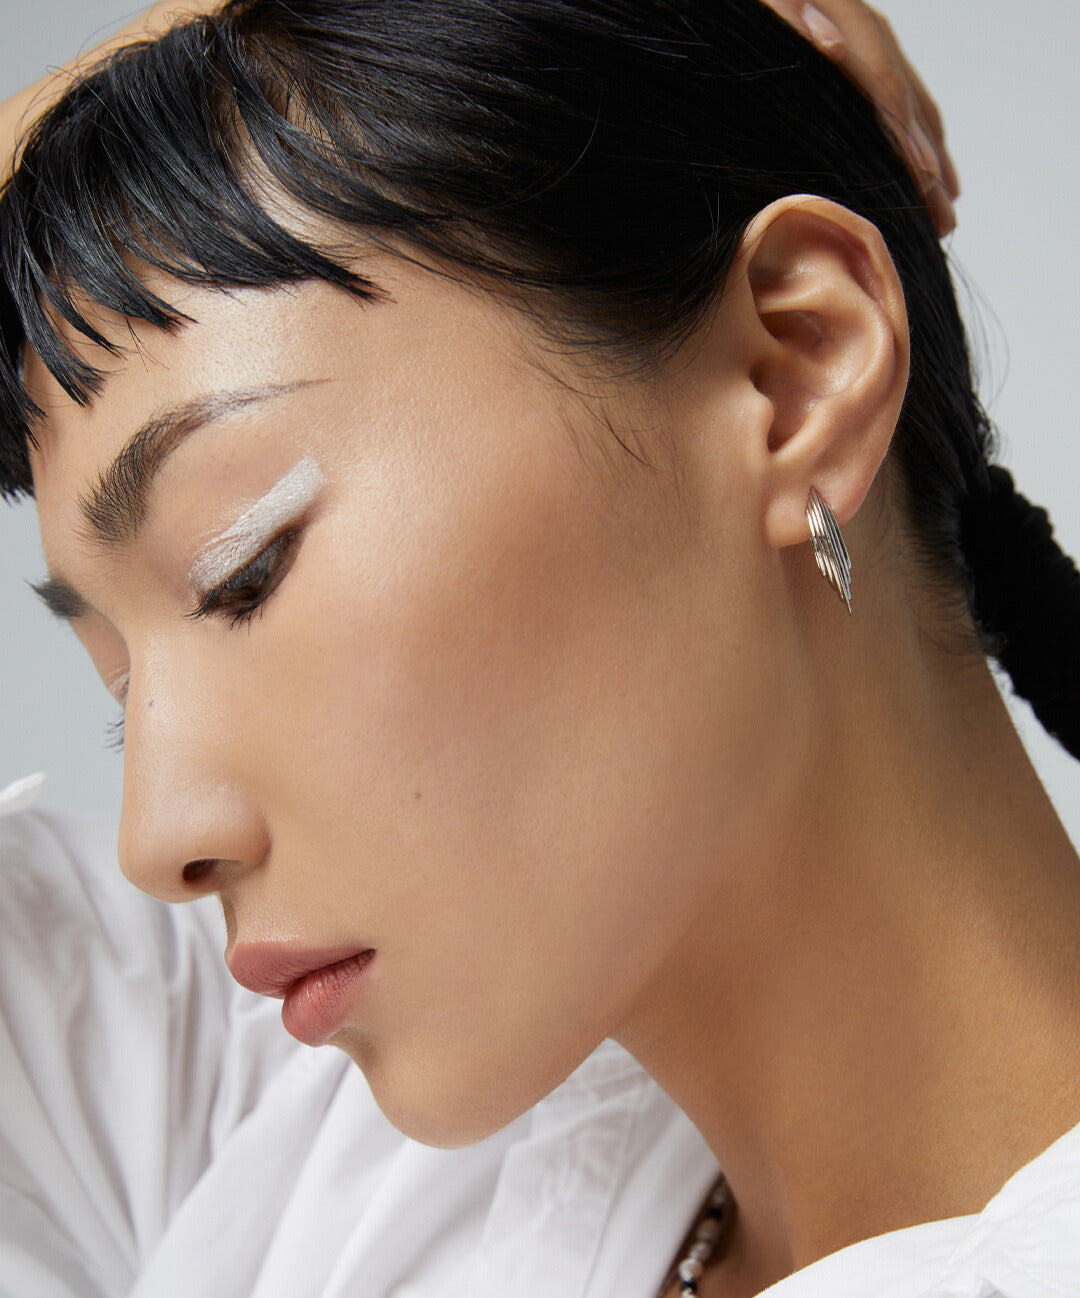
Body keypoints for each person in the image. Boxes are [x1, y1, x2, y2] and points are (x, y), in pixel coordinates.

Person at [1, 3, 1077, 1297]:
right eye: (124, 690)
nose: (156, 837)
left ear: (797, 371)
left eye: (245, 572)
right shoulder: (318, 1149)